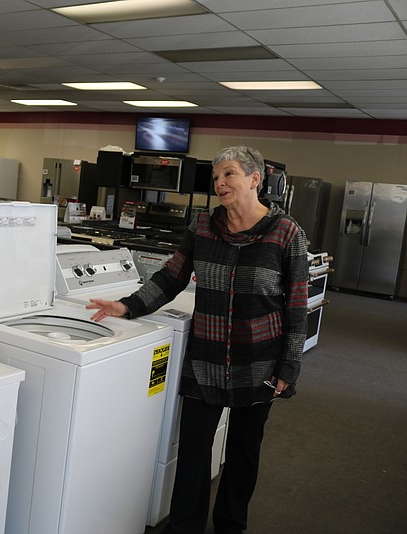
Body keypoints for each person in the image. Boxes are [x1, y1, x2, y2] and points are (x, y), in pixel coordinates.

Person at [87, 146, 308, 534]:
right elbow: (171, 278)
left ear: (255, 179)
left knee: (242, 453)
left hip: (257, 363)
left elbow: (296, 306)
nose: (220, 183)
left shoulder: (286, 233)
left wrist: (289, 365)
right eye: (216, 176)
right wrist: (127, 306)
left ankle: (230, 526)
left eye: (229, 174)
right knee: (192, 453)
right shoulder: (203, 225)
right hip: (205, 359)